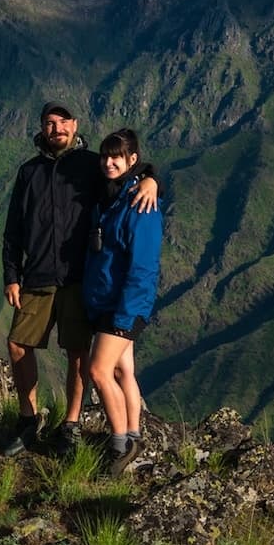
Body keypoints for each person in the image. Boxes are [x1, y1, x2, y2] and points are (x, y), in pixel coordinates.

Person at [1, 102, 158, 456]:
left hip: (79, 278)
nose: (55, 129)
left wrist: (152, 178)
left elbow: (125, 172)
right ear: (42, 129)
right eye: (48, 123)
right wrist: (12, 275)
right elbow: (13, 228)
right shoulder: (29, 172)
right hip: (37, 275)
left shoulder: (91, 165)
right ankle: (28, 420)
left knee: (76, 353)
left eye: (61, 123)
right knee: (17, 344)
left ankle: (70, 424)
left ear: (75, 126)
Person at [82, 128, 163, 476]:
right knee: (123, 369)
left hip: (124, 306)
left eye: (118, 157)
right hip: (107, 301)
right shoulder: (112, 195)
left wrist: (125, 315)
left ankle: (119, 445)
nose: (109, 162)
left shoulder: (140, 204)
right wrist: (150, 176)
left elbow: (144, 266)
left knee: (98, 371)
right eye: (105, 156)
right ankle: (134, 434)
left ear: (133, 160)